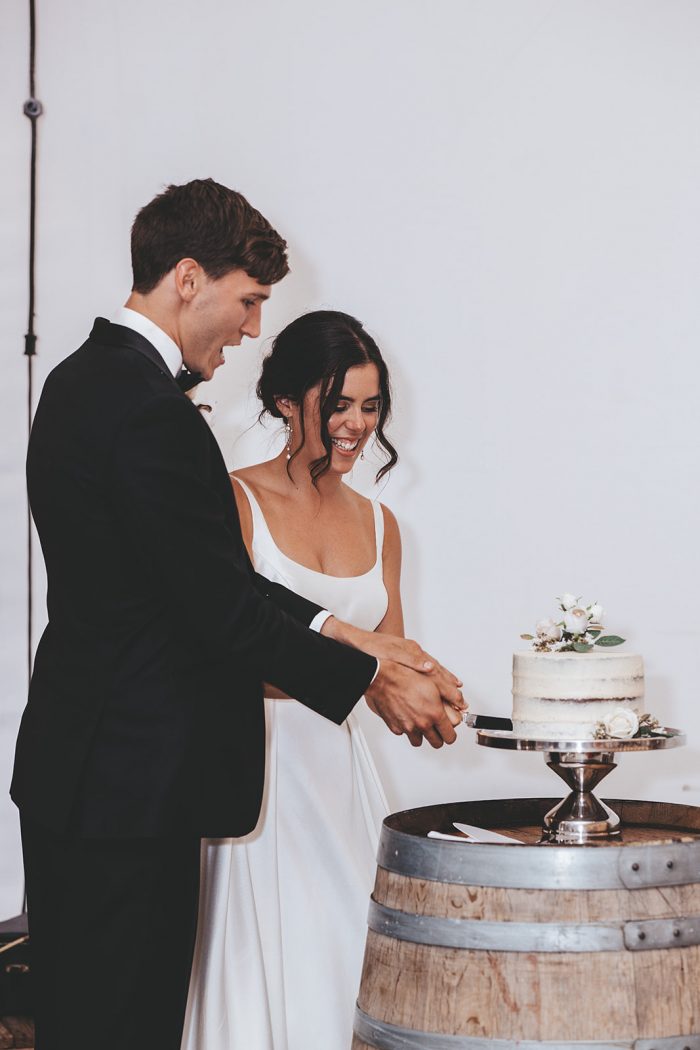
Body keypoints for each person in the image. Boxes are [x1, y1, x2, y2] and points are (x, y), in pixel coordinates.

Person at [10, 179, 465, 1050]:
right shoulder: (149, 410)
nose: (254, 327)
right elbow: (221, 611)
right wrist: (370, 679)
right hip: (133, 791)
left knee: (86, 1022)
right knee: (125, 1028)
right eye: (249, 300)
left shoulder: (81, 381)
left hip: (85, 771)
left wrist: (353, 633)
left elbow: (198, 581)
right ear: (189, 278)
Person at [182, 310, 458, 1050]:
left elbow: (386, 653)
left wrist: (429, 686)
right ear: (284, 401)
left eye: (371, 407)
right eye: (338, 403)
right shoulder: (234, 501)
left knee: (355, 963)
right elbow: (228, 649)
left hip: (342, 781)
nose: (357, 425)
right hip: (258, 779)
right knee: (266, 972)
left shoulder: (380, 523)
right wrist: (369, 676)